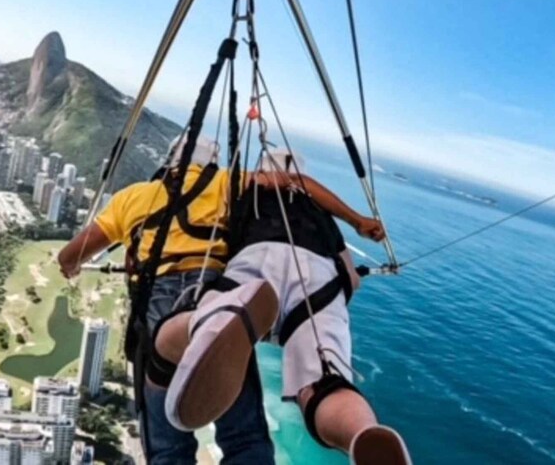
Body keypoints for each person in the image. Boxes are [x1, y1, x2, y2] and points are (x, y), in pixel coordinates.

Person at [148, 149, 412, 464]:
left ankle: (207, 324)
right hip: (318, 280)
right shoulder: (318, 211)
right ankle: (361, 434)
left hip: (259, 262)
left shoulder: (249, 188)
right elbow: (350, 277)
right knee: (324, 382)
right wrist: (356, 225)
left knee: (201, 319)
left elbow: (217, 239)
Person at [57, 135, 274, 465]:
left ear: (169, 159)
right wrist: (359, 223)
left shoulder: (133, 198)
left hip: (156, 308)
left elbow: (68, 255)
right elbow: (280, 184)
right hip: (217, 300)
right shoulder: (228, 183)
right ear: (211, 162)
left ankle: (186, 331)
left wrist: (71, 268)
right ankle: (202, 327)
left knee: (168, 449)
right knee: (244, 437)